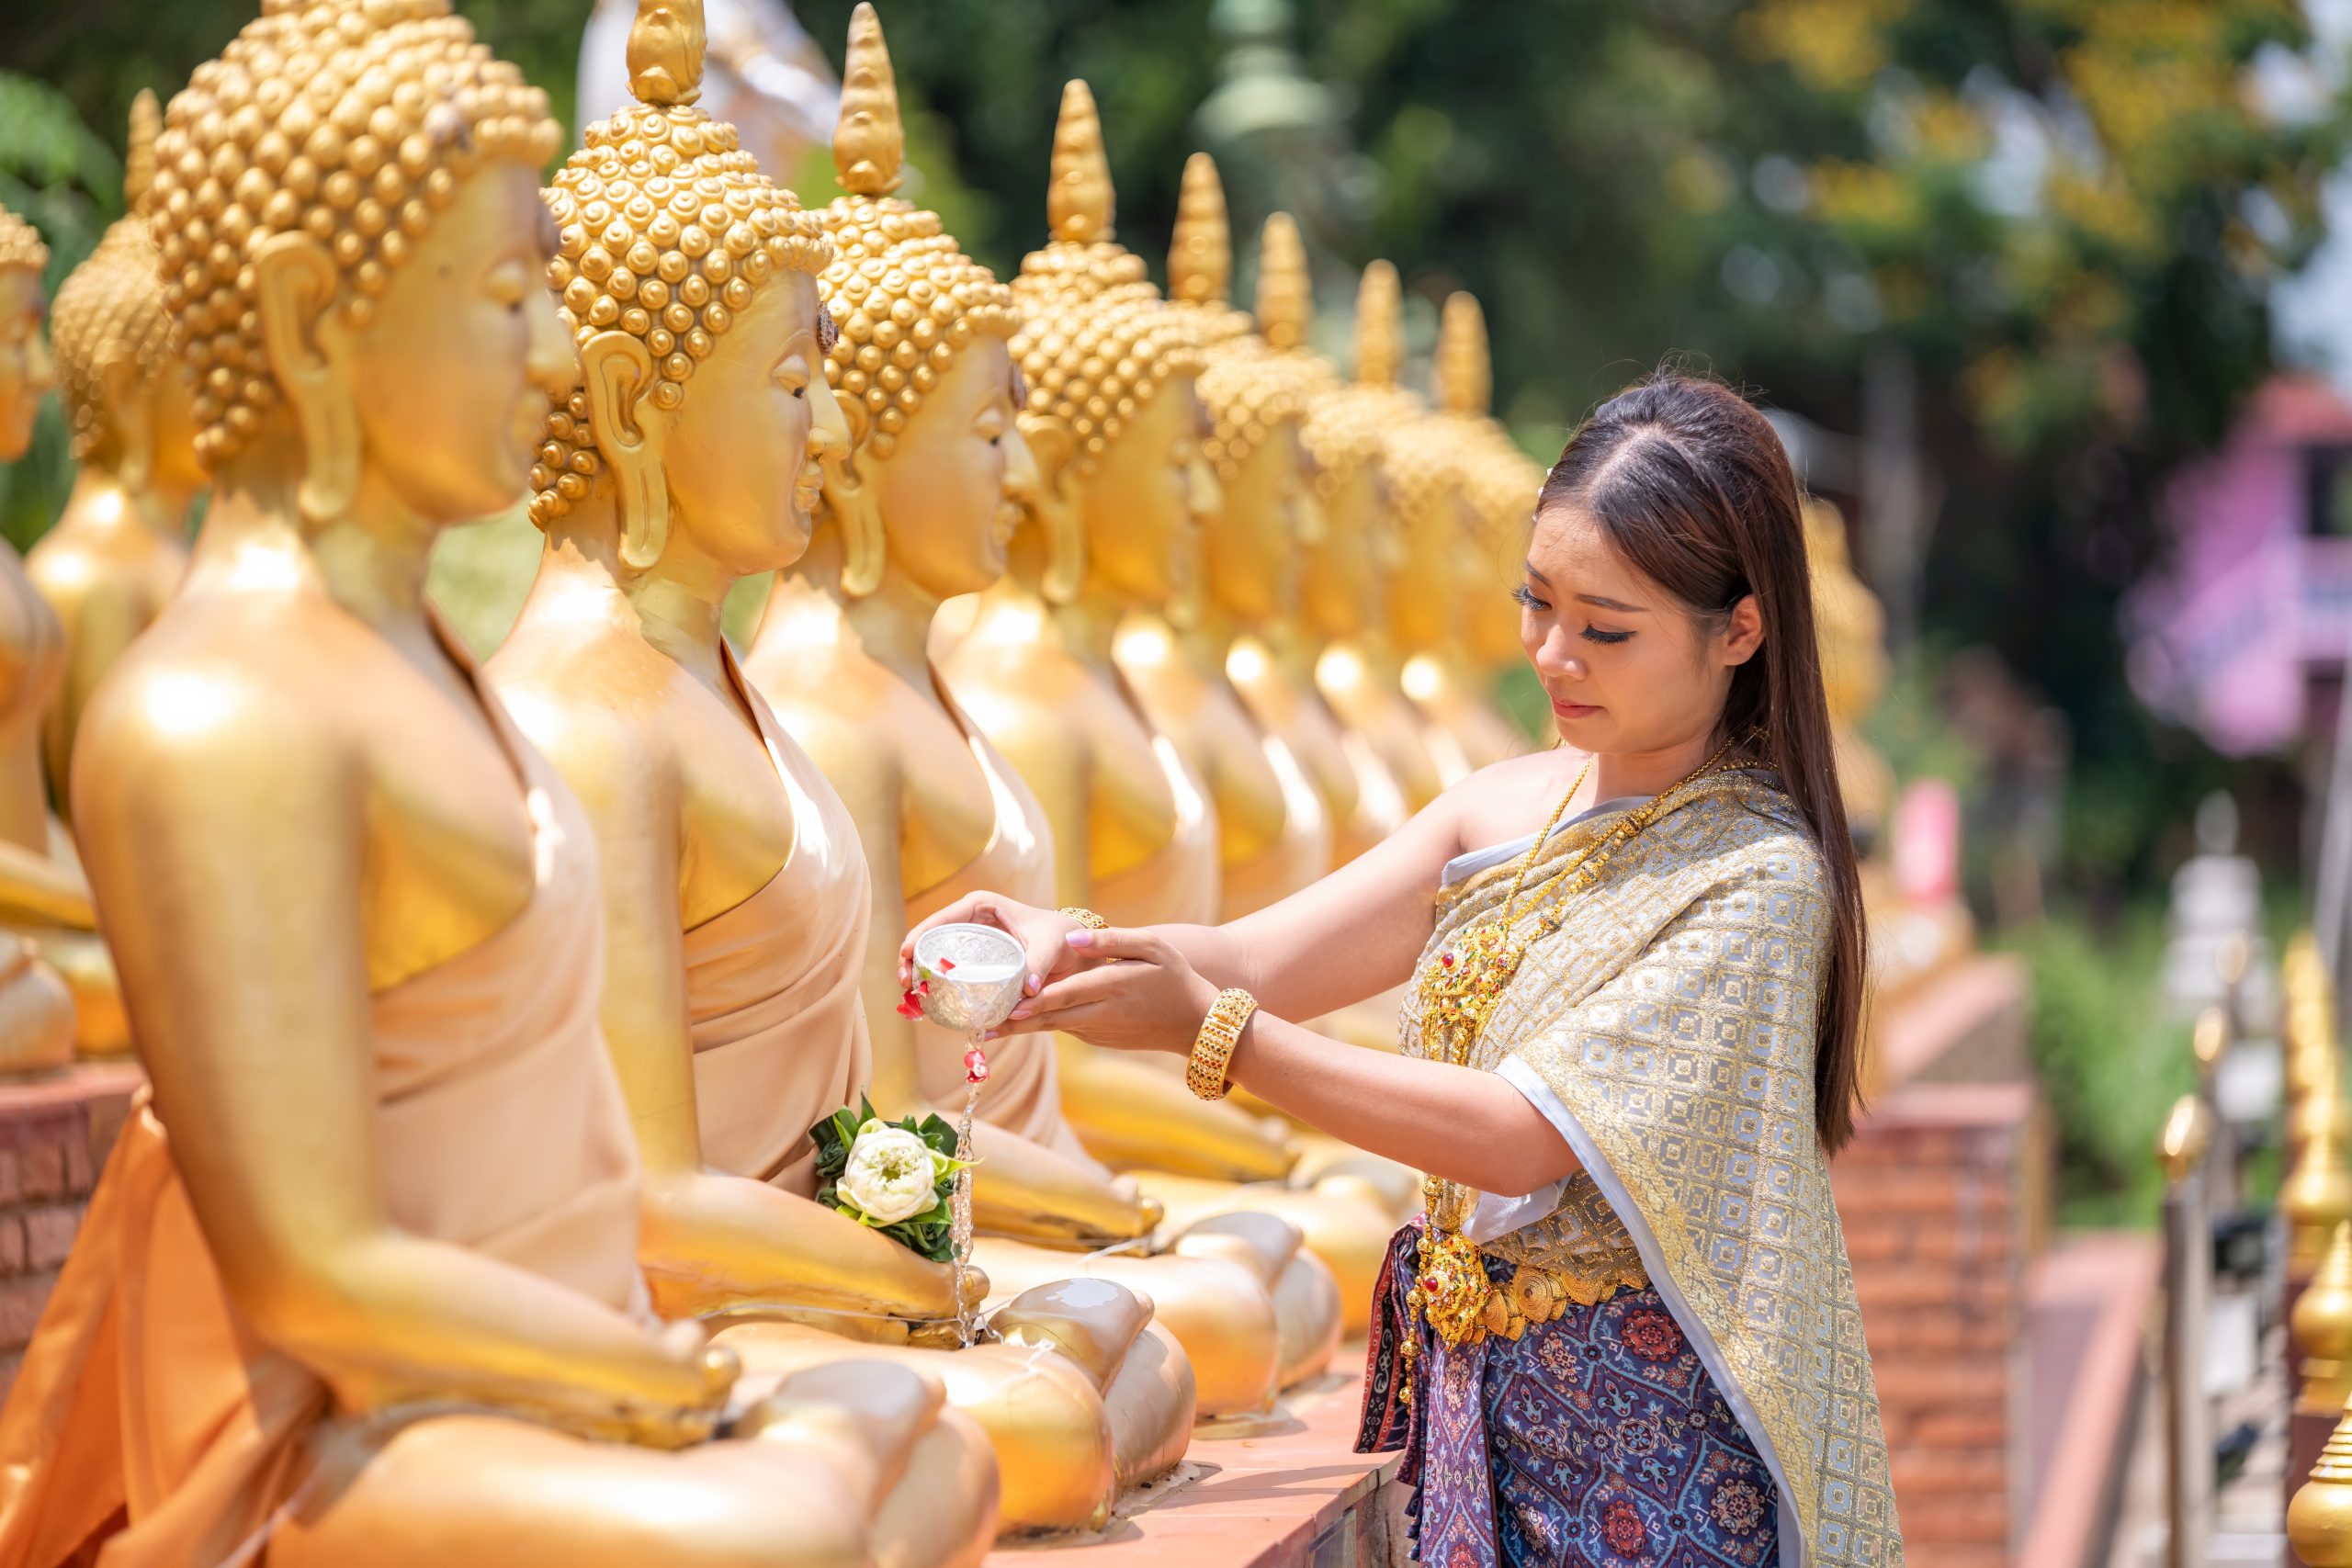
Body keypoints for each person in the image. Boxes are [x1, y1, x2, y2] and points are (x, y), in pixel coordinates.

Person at [907, 371, 1904, 1568]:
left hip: (1653, 1453)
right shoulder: (1503, 806)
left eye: (1608, 628)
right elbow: (1251, 954)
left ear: (1738, 630)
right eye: (1538, 603)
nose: (1552, 653)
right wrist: (1061, 936)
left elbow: (1517, 1136)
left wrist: (1214, 1036)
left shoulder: (1756, 879)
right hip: (1477, 1403)